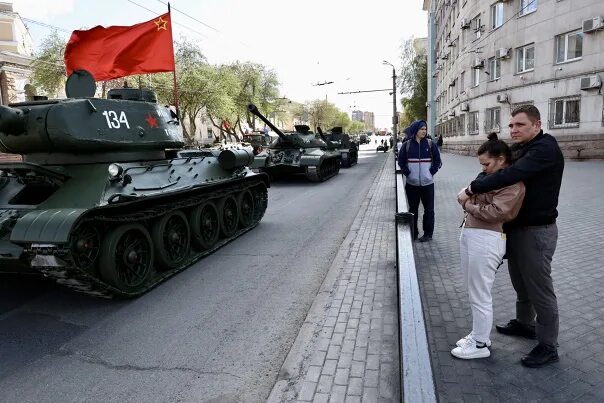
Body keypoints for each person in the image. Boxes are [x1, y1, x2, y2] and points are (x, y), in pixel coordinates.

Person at [457, 105, 564, 368]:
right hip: (516, 229)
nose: (514, 130)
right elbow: (495, 165)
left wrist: (471, 189)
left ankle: (548, 345)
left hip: (537, 231)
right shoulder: (521, 148)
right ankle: (525, 323)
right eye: (511, 125)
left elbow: (510, 174)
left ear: (537, 125)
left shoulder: (544, 149)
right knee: (520, 282)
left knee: (540, 289)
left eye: (520, 125)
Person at [451, 133, 525, 360]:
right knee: (474, 291)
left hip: (487, 239)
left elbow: (496, 212)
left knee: (480, 293)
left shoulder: (513, 184)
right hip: (473, 234)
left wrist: (470, 204)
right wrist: (474, 203)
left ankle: (480, 344)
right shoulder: (489, 179)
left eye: (486, 164)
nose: (483, 169)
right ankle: (478, 334)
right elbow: (476, 199)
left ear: (502, 159)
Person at [398, 120, 442, 242]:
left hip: (428, 184)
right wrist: (408, 174)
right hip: (412, 185)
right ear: (415, 130)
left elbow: (438, 162)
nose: (424, 131)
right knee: (413, 210)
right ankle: (413, 233)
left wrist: (430, 173)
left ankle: (428, 234)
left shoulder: (430, 144)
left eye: (425, 129)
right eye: (421, 129)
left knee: (429, 210)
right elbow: (401, 162)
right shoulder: (406, 145)